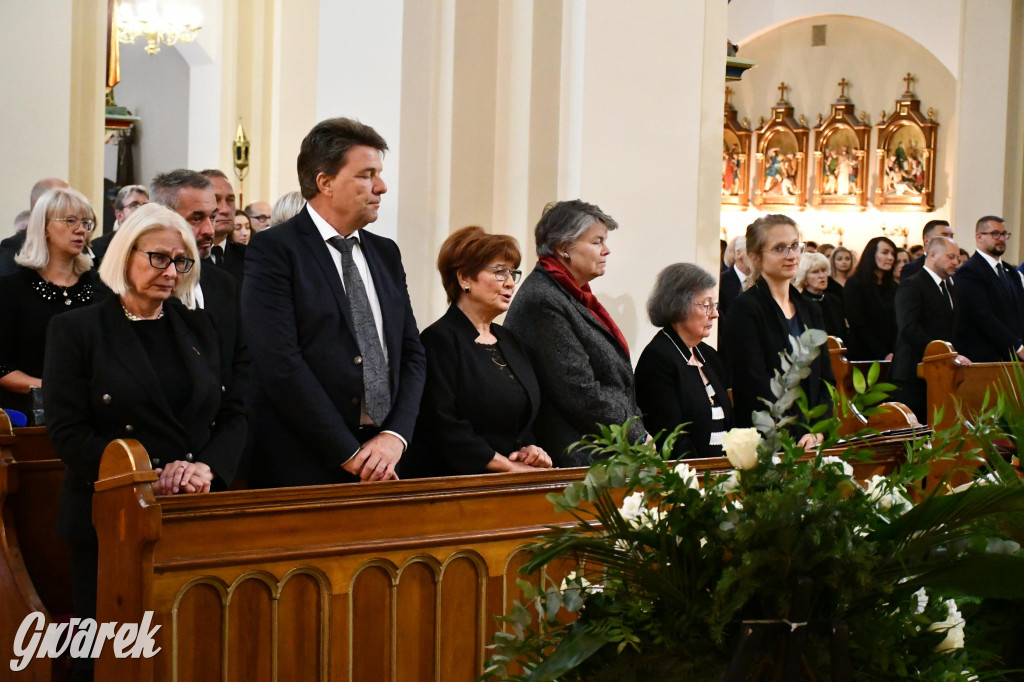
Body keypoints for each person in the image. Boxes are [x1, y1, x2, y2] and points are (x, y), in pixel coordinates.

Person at [43, 203, 246, 682]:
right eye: (158, 257)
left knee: (183, 649)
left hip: (191, 510)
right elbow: (67, 433)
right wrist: (149, 473)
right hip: (111, 515)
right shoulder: (77, 331)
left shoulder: (200, 326)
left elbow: (235, 411)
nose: (170, 271)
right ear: (125, 253)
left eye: (181, 261)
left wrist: (205, 469)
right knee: (110, 655)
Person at [242, 117, 426, 486]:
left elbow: (411, 353)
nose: (381, 187)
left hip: (385, 459)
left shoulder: (385, 252)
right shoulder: (276, 249)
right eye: (366, 175)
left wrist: (394, 438)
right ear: (325, 182)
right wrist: (349, 453)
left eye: (379, 173)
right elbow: (279, 361)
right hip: (307, 460)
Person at [505, 200, 648, 467]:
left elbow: (617, 384)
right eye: (597, 242)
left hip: (602, 449)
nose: (606, 250)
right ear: (563, 248)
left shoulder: (568, 294)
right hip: (577, 457)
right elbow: (580, 391)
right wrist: (636, 436)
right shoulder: (544, 300)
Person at [404, 226, 550, 477]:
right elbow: (442, 425)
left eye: (512, 273)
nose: (510, 284)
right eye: (499, 272)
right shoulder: (438, 340)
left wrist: (531, 450)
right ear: (464, 279)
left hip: (512, 477)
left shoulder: (508, 340)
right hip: (456, 483)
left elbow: (522, 416)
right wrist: (507, 466)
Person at [719, 214, 832, 448]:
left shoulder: (810, 310)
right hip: (767, 439)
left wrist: (819, 430)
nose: (791, 255)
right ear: (756, 258)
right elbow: (754, 385)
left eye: (794, 246)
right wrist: (798, 433)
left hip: (812, 439)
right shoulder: (745, 310)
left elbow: (825, 379)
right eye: (779, 248)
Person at [0, 187, 103, 414]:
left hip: (94, 413)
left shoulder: (100, 288)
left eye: (86, 222)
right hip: (30, 418)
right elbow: (2, 367)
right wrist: (55, 389)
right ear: (44, 226)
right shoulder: (11, 290)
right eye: (70, 221)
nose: (80, 230)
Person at [635, 263, 732, 459]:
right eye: (706, 305)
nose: (715, 314)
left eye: (715, 305)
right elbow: (671, 438)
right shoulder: (658, 359)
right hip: (688, 479)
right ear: (678, 306)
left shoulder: (709, 355)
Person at [891, 237, 969, 422]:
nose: (956, 263)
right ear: (932, 255)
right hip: (913, 374)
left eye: (957, 258)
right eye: (951, 257)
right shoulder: (913, 284)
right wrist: (946, 354)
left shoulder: (950, 287)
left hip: (940, 373)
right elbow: (909, 328)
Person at [953, 216, 1024, 362]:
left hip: (1012, 358)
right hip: (985, 357)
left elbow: (1020, 312)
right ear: (979, 237)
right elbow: (983, 317)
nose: (1001, 238)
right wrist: (1017, 347)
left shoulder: (1010, 271)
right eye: (995, 234)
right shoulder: (969, 272)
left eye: (1004, 234)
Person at [0, 177, 70, 277]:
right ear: (40, 205)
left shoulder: (74, 248)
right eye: (63, 200)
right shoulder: (13, 249)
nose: (71, 206)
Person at [843, 236, 898, 360]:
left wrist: (895, 351)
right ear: (871, 255)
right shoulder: (855, 284)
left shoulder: (893, 287)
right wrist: (883, 354)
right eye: (885, 252)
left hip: (893, 354)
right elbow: (858, 324)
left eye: (893, 254)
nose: (890, 258)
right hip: (864, 354)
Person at [200, 169, 246, 282]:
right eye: (216, 200)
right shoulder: (184, 261)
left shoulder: (250, 257)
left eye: (230, 200)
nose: (225, 210)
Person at [91, 184, 149, 263]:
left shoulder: (156, 244)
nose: (142, 209)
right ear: (119, 215)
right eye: (134, 205)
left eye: (146, 206)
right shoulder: (98, 248)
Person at [795, 251, 846, 339]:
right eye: (815, 272)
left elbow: (843, 332)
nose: (822, 275)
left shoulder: (834, 300)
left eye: (823, 270)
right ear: (804, 277)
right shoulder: (799, 303)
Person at [719, 234, 751, 316]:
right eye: (750, 252)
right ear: (739, 253)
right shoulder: (722, 280)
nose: (755, 257)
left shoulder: (761, 281)